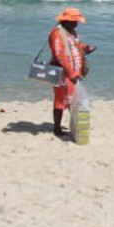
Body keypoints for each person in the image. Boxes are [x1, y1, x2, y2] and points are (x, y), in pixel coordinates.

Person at [47, 8, 93, 138]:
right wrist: (71, 72)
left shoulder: (71, 31)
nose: (76, 24)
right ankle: (57, 128)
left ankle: (73, 125)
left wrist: (85, 48)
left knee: (72, 100)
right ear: (66, 21)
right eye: (74, 21)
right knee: (61, 100)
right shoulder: (57, 33)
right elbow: (59, 54)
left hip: (74, 73)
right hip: (63, 73)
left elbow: (75, 45)